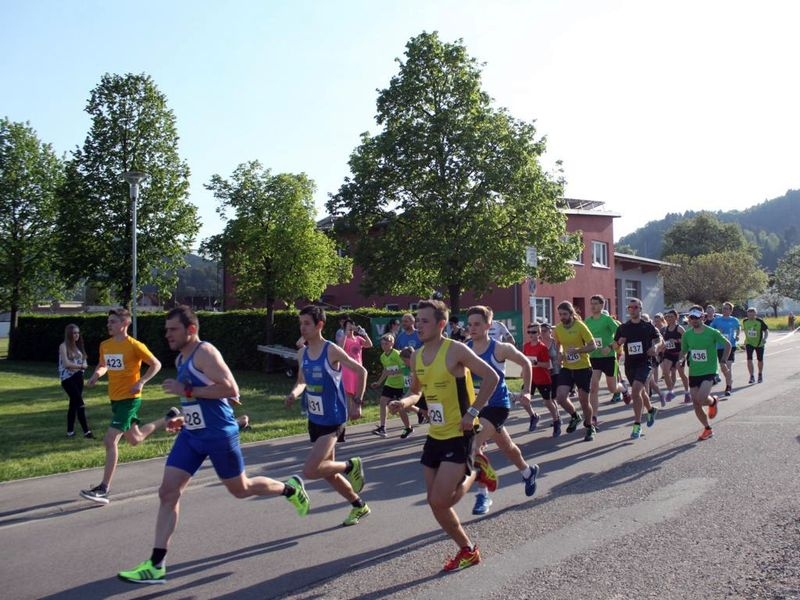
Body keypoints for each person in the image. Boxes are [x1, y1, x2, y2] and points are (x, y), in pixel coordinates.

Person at [117, 306, 310, 585]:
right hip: (192, 435)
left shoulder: (205, 352)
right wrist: (184, 418)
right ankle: (156, 565)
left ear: (191, 329)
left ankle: (290, 488)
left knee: (241, 489)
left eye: (173, 329)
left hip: (219, 434)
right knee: (168, 492)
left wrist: (186, 390)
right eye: (166, 329)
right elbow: (197, 400)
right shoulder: (182, 358)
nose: (167, 334)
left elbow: (231, 389)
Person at [388, 299, 500, 572]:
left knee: (442, 500)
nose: (418, 325)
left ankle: (476, 470)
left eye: (425, 321)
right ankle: (468, 550)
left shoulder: (455, 350)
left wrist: (472, 412)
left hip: (460, 432)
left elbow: (492, 377)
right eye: (417, 320)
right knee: (435, 502)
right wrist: (403, 402)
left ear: (441, 324)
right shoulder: (416, 356)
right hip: (435, 435)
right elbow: (417, 391)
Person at [284, 305, 371, 527]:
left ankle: (350, 466)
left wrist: (357, 402)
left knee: (310, 470)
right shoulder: (302, 353)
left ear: (319, 325)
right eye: (300, 323)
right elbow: (302, 381)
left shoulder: (331, 350)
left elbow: (361, 371)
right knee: (328, 472)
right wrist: (294, 394)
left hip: (333, 419)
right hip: (315, 418)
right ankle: (359, 505)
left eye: (307, 323)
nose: (302, 328)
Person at [80, 308, 164, 504]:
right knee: (135, 439)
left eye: (113, 322)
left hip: (130, 398)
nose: (109, 325)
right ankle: (167, 418)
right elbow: (103, 364)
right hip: (115, 399)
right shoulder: (105, 345)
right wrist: (96, 375)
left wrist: (141, 381)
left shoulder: (134, 345)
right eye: (108, 321)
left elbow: (156, 364)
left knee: (110, 440)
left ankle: (104, 488)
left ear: (125, 323)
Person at [465, 306, 540, 516]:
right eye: (469, 324)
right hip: (476, 407)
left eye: (477, 324)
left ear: (489, 325)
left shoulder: (500, 349)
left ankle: (483, 494)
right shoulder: (465, 348)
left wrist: (526, 391)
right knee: (507, 447)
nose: (472, 328)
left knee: (473, 446)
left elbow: (525, 363)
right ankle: (528, 472)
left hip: (497, 406)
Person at [679, 305, 731, 441]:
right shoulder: (687, 335)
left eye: (697, 317)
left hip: (709, 371)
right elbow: (684, 350)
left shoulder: (712, 332)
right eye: (692, 318)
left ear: (702, 317)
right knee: (696, 403)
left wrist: (723, 361)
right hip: (694, 372)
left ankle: (712, 401)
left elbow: (727, 344)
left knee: (700, 399)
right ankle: (707, 428)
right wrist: (680, 359)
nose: (694, 320)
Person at [612, 298, 661, 440]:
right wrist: (617, 343)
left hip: (645, 363)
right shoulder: (623, 328)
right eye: (630, 307)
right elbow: (614, 345)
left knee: (635, 391)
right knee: (640, 392)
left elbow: (659, 339)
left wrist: (655, 347)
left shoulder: (647, 326)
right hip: (630, 365)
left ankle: (637, 425)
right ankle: (651, 410)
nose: (632, 310)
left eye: (635, 307)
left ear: (640, 309)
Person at [553, 301, 598, 441]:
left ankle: (589, 426)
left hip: (583, 367)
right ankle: (575, 416)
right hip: (567, 367)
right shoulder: (558, 328)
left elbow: (593, 346)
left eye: (565, 314)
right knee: (560, 397)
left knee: (584, 401)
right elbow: (558, 345)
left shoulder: (580, 326)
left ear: (571, 313)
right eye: (560, 314)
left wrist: (578, 350)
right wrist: (560, 354)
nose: (562, 317)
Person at [585, 295, 624, 427]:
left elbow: (620, 334)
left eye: (596, 303)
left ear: (602, 305)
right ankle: (594, 416)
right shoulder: (587, 321)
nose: (593, 306)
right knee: (593, 388)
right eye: (591, 303)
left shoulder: (607, 319)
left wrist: (610, 347)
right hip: (593, 358)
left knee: (612, 388)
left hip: (608, 357)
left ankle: (623, 389)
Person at [540, 322, 582, 437]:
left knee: (558, 397)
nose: (542, 333)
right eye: (540, 331)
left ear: (550, 331)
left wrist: (560, 356)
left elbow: (561, 353)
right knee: (549, 399)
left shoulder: (556, 342)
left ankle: (572, 415)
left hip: (558, 372)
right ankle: (557, 418)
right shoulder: (539, 343)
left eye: (544, 331)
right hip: (545, 374)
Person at [370, 333, 414, 438]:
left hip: (400, 384)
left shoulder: (397, 354)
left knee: (401, 408)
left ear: (392, 344)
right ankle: (382, 427)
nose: (383, 346)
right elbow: (385, 371)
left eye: (386, 344)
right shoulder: (382, 357)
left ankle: (408, 427)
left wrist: (393, 372)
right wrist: (379, 382)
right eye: (382, 344)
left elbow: (404, 368)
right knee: (382, 402)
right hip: (390, 383)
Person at [59, 323, 93, 439]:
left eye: (78, 333)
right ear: (69, 334)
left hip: (79, 378)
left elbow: (85, 364)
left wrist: (80, 367)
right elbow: (66, 364)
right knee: (80, 403)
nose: (76, 335)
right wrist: (80, 367)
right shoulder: (63, 346)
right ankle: (87, 432)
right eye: (74, 333)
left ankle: (70, 431)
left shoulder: (79, 348)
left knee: (73, 405)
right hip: (67, 379)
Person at [522, 324, 553, 433]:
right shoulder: (526, 346)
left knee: (547, 402)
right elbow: (524, 361)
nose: (531, 334)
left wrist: (536, 363)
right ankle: (533, 416)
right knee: (524, 399)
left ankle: (556, 419)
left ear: (539, 333)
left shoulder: (542, 347)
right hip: (530, 378)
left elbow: (547, 365)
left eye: (534, 332)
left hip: (543, 379)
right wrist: (523, 371)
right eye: (529, 332)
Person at [341, 319, 372, 419]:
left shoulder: (358, 338)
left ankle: (357, 412)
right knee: (349, 392)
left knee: (358, 391)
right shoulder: (344, 338)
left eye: (351, 325)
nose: (350, 328)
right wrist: (345, 334)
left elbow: (369, 344)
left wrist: (364, 334)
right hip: (347, 369)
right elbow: (340, 348)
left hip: (358, 369)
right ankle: (349, 413)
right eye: (348, 326)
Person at [710, 302, 740, 397]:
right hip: (720, 347)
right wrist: (717, 331)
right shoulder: (717, 320)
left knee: (728, 365)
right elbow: (711, 330)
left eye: (727, 308)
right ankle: (729, 379)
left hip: (731, 345)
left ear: (731, 310)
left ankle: (728, 386)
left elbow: (738, 328)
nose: (724, 310)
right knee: (723, 367)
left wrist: (737, 335)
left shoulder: (734, 320)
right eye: (723, 308)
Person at [660, 309, 690, 402]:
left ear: (676, 317)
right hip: (668, 353)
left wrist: (676, 340)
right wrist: (662, 346)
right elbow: (663, 341)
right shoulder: (665, 329)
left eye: (671, 317)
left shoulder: (679, 328)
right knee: (665, 372)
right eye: (668, 317)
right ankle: (670, 391)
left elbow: (686, 341)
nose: (669, 318)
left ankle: (687, 392)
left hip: (679, 354)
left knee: (681, 374)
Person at [741, 307, 769, 384]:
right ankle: (751, 376)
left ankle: (760, 374)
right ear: (747, 314)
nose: (751, 316)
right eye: (749, 314)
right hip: (749, 343)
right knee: (749, 359)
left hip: (759, 344)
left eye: (752, 314)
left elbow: (766, 331)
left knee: (760, 360)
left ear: (755, 314)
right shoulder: (745, 321)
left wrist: (765, 338)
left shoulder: (760, 321)